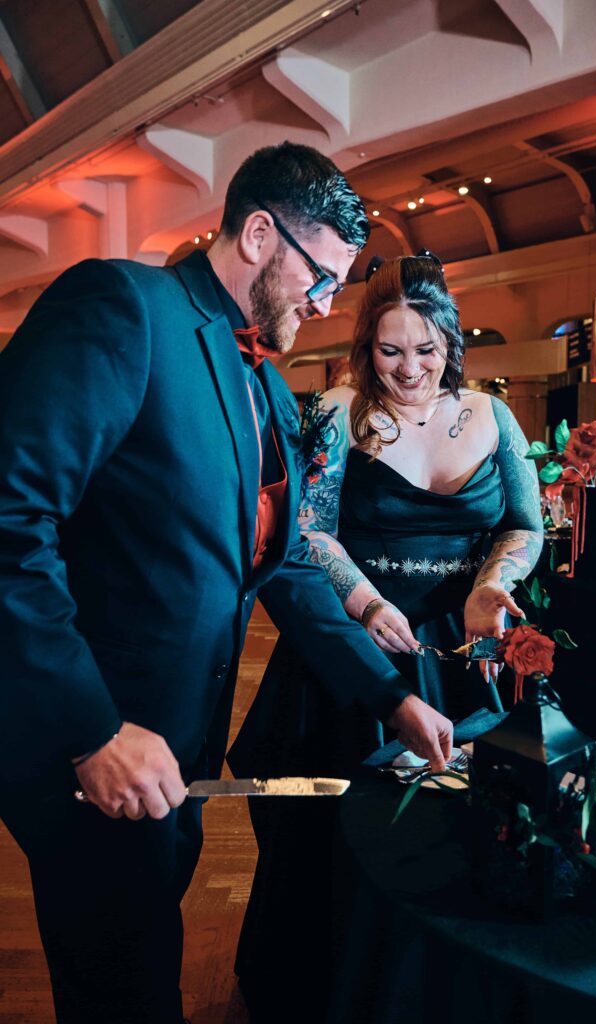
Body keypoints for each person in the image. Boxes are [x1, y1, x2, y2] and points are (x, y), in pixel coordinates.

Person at [0, 143, 453, 1024]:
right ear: (257, 234)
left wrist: (390, 695)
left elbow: (280, 567)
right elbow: (11, 524)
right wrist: (91, 729)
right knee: (125, 993)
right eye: (319, 278)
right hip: (93, 745)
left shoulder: (270, 391)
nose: (324, 306)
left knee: (140, 966)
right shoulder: (122, 310)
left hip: (183, 746)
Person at [228, 252, 543, 1021]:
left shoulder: (492, 416)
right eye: (390, 350)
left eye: (426, 350)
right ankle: (331, 983)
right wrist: (365, 604)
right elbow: (308, 531)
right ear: (367, 347)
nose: (409, 369)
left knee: (455, 826)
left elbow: (523, 526)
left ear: (451, 344)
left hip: (458, 643)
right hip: (355, 643)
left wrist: (491, 585)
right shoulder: (336, 412)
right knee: (337, 829)